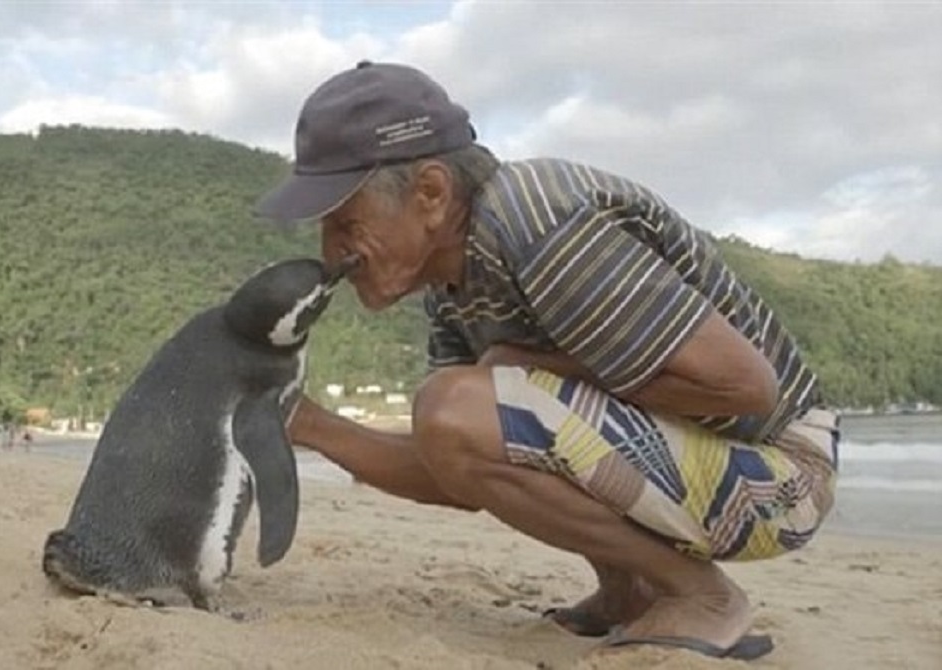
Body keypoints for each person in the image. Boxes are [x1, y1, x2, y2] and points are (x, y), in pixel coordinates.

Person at [254, 61, 839, 660]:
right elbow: (459, 465)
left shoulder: (537, 217)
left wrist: (531, 366)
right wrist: (308, 424)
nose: (331, 254)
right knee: (459, 405)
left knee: (461, 399)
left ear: (430, 193)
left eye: (346, 223)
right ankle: (628, 589)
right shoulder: (455, 286)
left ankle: (701, 595)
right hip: (716, 463)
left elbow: (747, 390)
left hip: (784, 474)